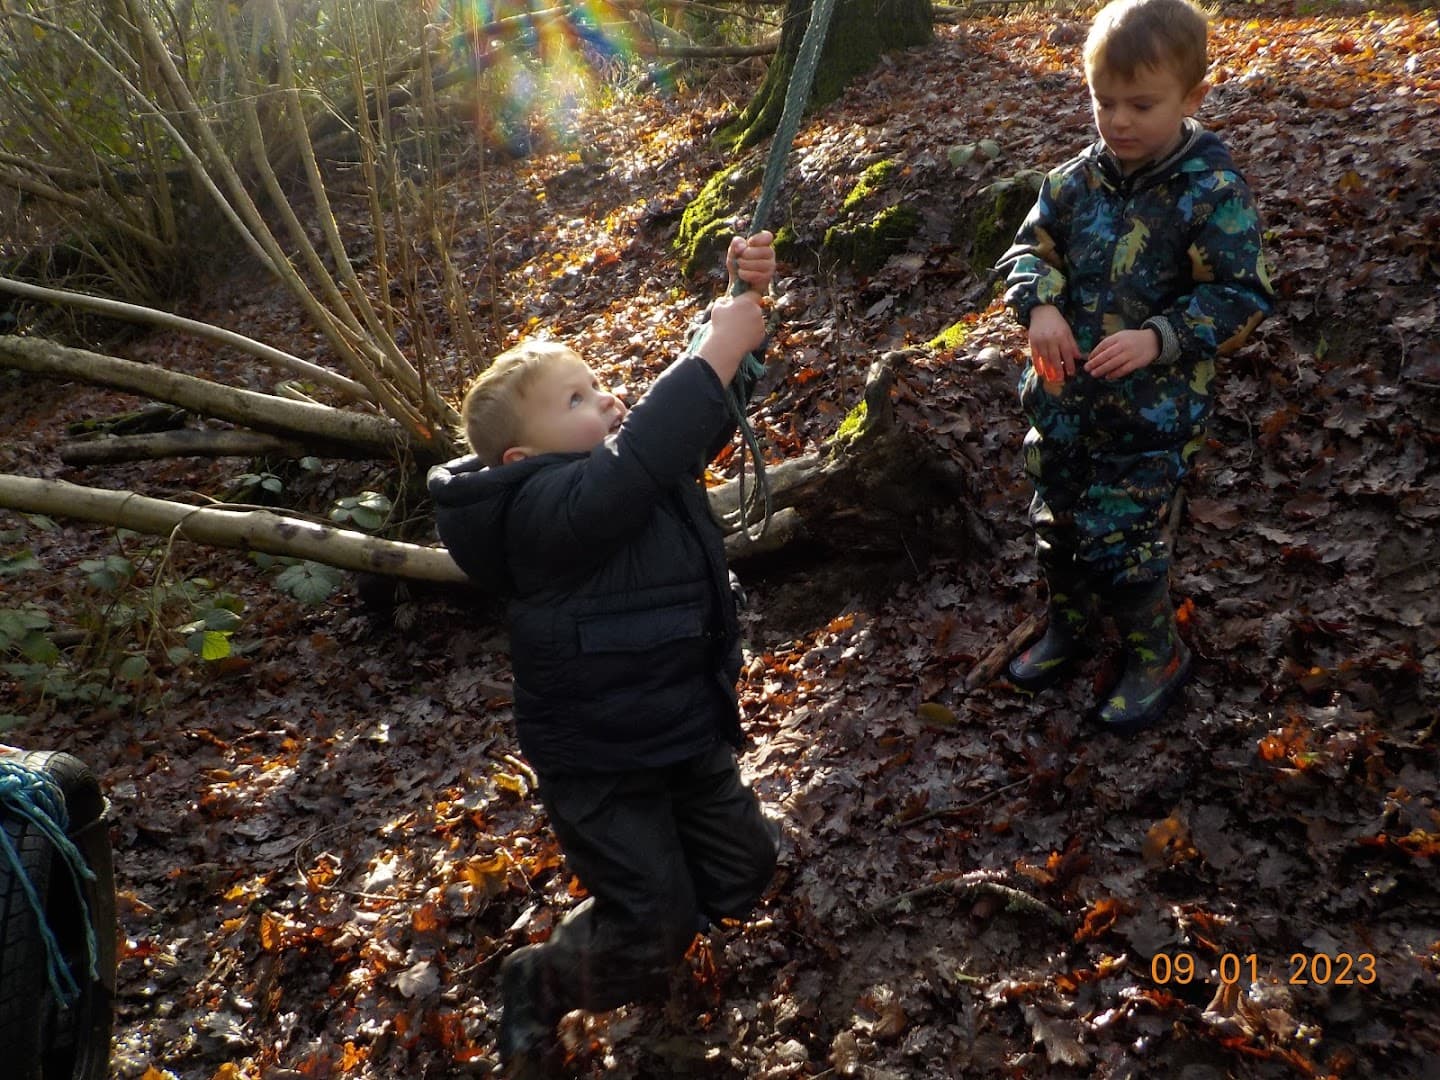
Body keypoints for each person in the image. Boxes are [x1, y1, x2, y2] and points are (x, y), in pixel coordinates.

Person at [427, 232, 780, 1076]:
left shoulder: (617, 471)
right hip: (602, 759)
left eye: (598, 385)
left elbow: (689, 428)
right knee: (653, 923)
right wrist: (710, 352)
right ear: (522, 457)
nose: (606, 400)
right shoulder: (540, 515)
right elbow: (640, 457)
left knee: (745, 871)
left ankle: (670, 923)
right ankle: (539, 983)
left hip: (685, 726)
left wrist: (735, 320)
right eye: (577, 399)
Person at [995, 0, 1274, 734]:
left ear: (1192, 99)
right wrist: (1041, 305)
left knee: (1124, 540)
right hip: (1060, 404)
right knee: (1055, 521)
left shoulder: (1209, 192)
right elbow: (1026, 251)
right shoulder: (1071, 183)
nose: (1118, 121)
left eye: (1141, 105)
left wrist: (1162, 337)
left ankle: (1157, 653)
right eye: (1103, 102)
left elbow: (1242, 296)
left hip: (1153, 415)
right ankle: (1069, 628)